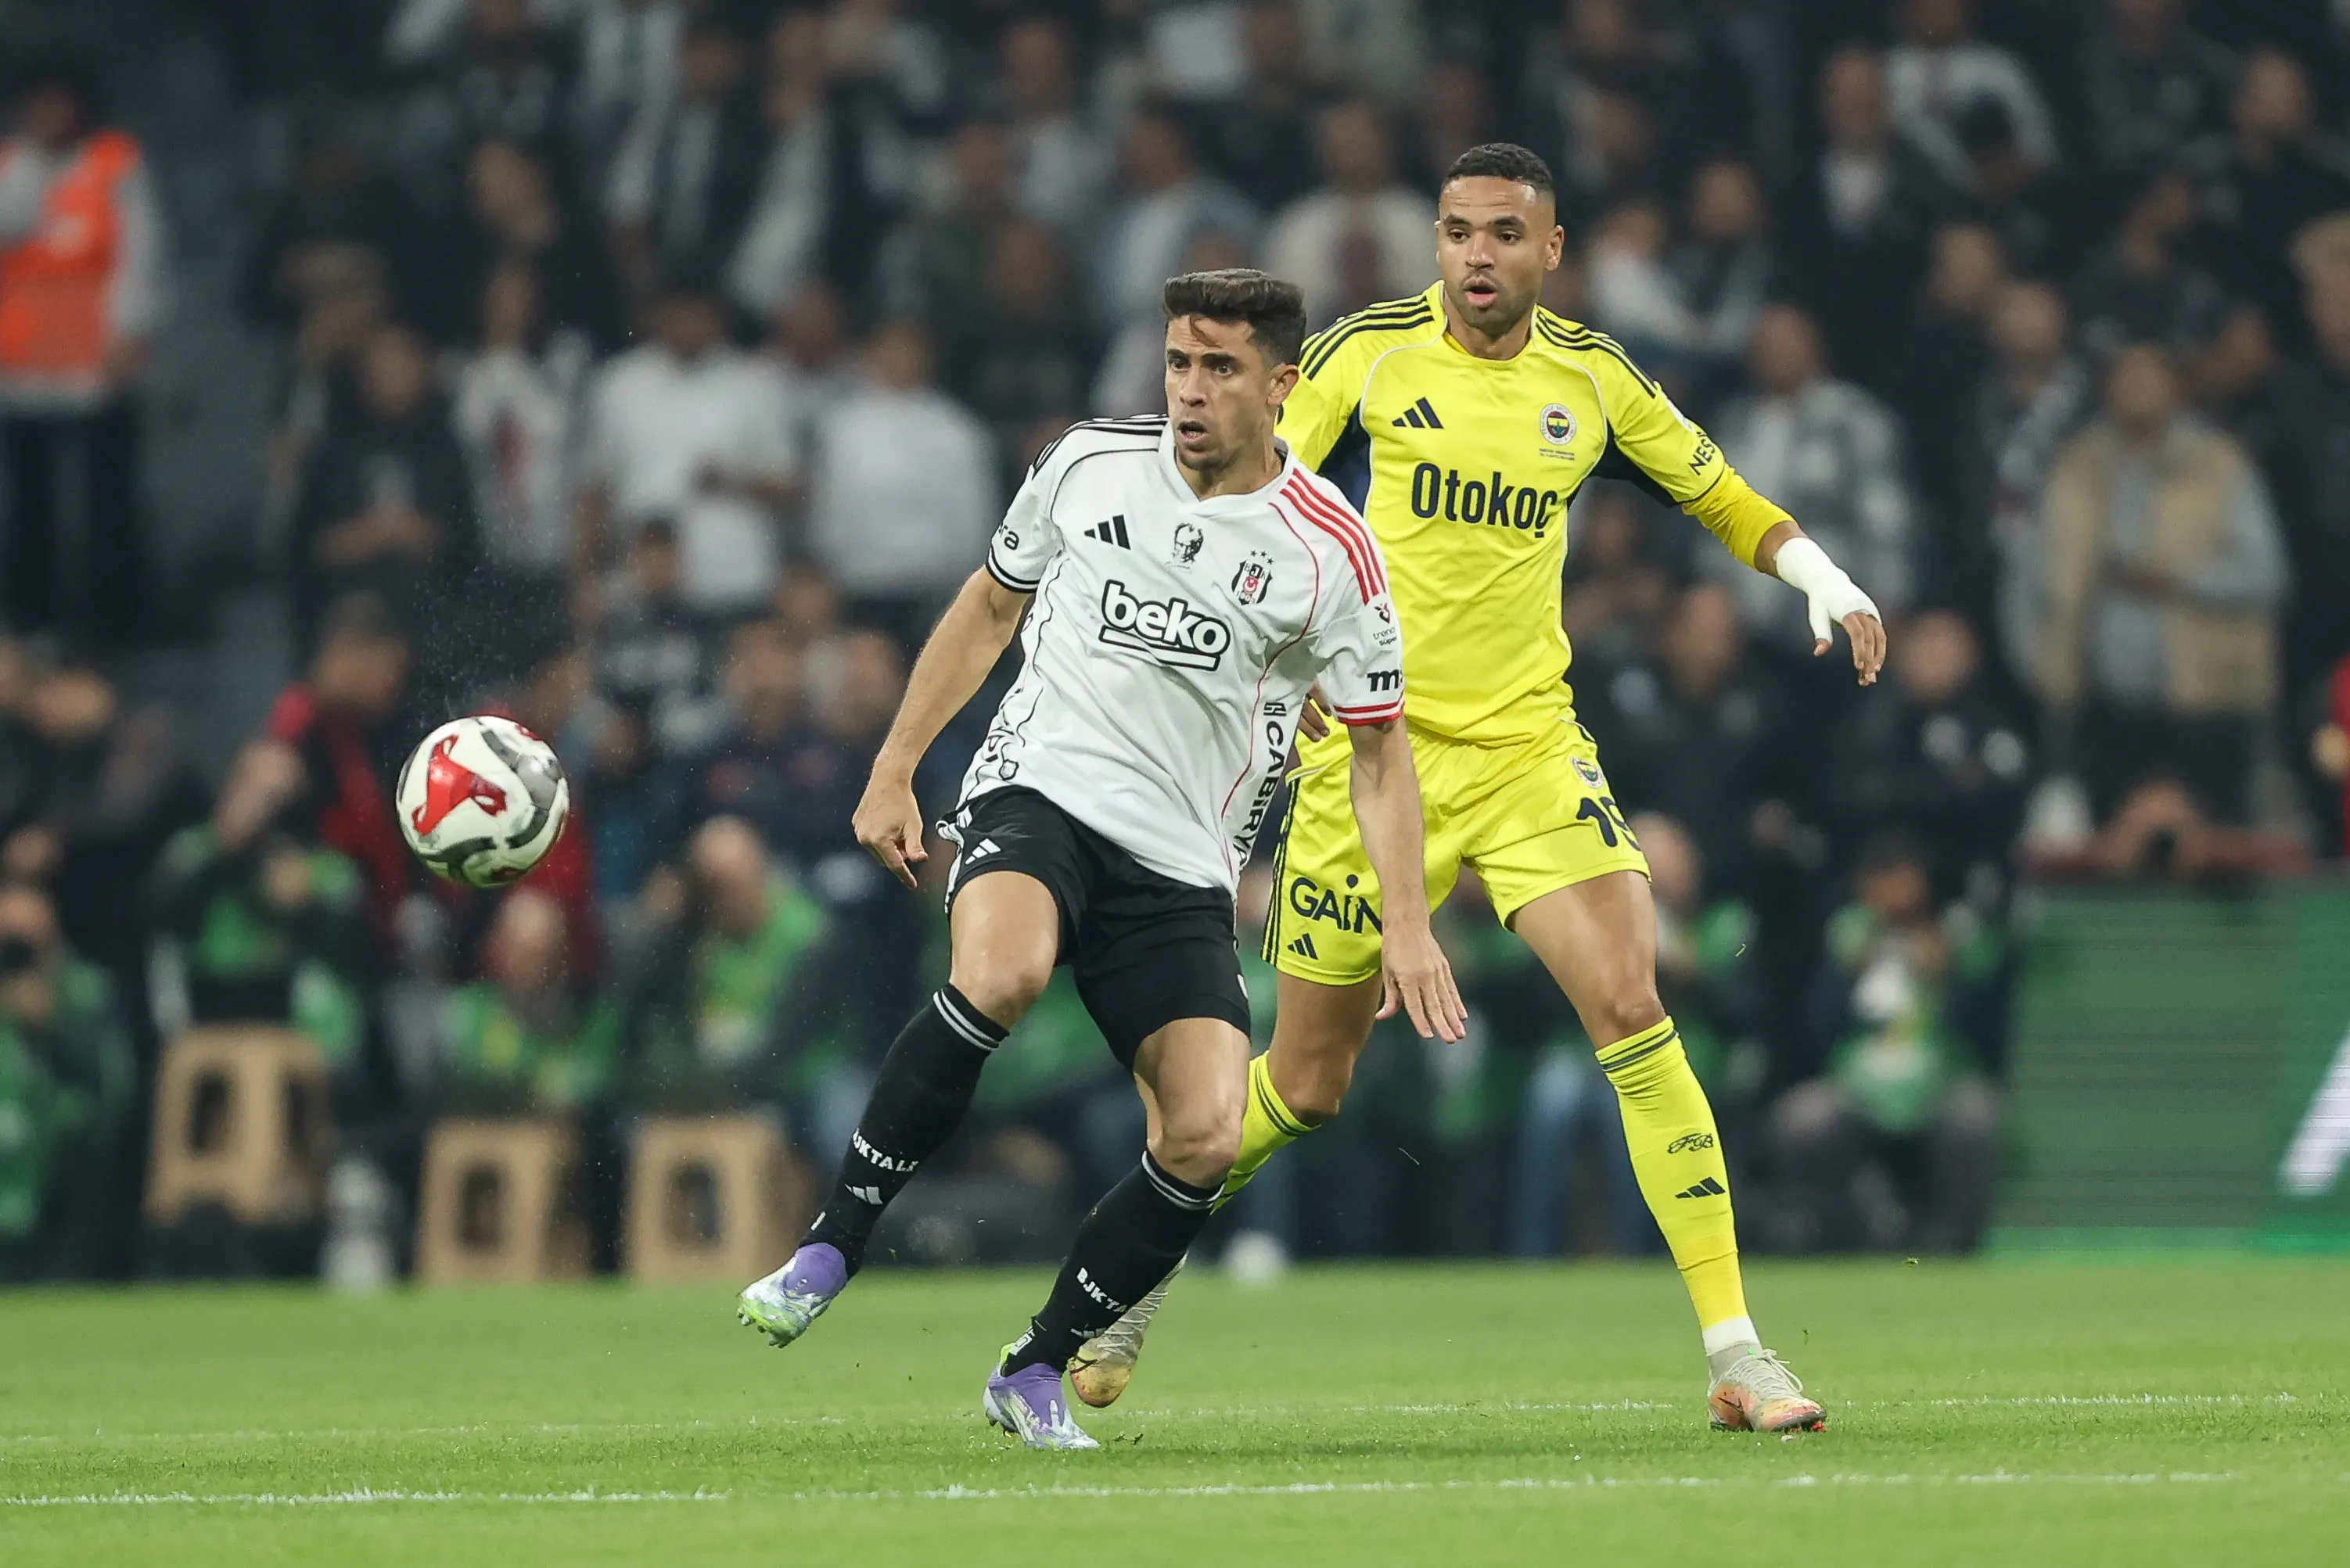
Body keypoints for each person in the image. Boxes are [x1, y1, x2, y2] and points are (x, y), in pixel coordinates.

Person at [1082, 145, 1890, 1436]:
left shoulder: (1591, 378)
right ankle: (1128, 1262)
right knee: (1306, 1086)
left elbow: (1718, 492)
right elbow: (1247, 493)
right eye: (1458, 230)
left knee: (1632, 1000)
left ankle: (1737, 1352)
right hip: (1371, 750)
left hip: (1525, 751)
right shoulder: (1368, 356)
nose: (1475, 254)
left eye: (1504, 233)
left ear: (1548, 251)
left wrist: (1819, 578)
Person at [735, 270, 1462, 1450]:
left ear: (1282, 385)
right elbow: (989, 606)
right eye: (1178, 362)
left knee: (1207, 1132)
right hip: (1043, 791)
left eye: (1220, 368)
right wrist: (894, 766)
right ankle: (831, 1246)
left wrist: (1411, 923)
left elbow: (1380, 755)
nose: (1189, 390)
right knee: (1004, 971)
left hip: (1181, 863)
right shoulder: (1087, 461)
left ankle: (1034, 1366)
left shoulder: (1333, 549)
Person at [0, 56, 167, 642]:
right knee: (30, 503)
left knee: (109, 500)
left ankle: (117, 618)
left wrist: (132, 329)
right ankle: (34, 617)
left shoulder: (113, 163)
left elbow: (140, 250)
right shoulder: (10, 166)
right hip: (23, 366)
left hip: (99, 362)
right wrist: (33, 174)